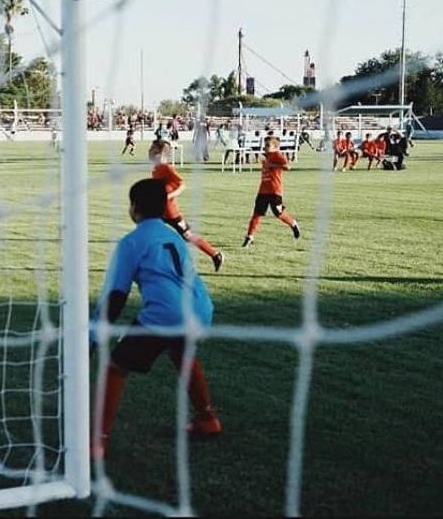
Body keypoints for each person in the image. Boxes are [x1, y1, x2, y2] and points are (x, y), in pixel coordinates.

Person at [89, 178, 222, 461]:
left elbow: (115, 296)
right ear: (164, 209)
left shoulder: (131, 242)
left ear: (134, 208)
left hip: (166, 314)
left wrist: (93, 336)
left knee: (115, 367)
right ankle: (208, 418)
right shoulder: (172, 235)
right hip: (200, 308)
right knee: (182, 354)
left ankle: (96, 442)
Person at [149, 139, 224, 272]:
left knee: (188, 236)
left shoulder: (167, 168)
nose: (150, 152)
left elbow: (182, 184)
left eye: (153, 150)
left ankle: (215, 254)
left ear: (161, 153)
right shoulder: (156, 168)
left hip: (171, 213)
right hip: (159, 211)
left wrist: (169, 196)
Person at [242, 135, 301, 247]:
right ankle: (249, 237)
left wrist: (272, 165)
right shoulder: (266, 156)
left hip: (275, 190)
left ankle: (293, 224)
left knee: (278, 213)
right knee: (257, 214)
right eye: (265, 145)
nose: (265, 147)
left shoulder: (277, 155)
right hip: (263, 190)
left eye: (268, 145)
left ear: (275, 147)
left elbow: (287, 166)